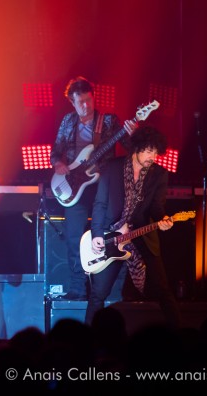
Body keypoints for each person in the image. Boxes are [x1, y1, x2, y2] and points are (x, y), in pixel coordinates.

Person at [85, 125, 181, 328]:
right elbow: (100, 203)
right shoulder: (113, 167)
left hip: (140, 235)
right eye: (149, 151)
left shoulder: (159, 174)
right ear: (137, 148)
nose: (152, 157)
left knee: (163, 290)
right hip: (113, 236)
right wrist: (97, 234)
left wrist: (164, 219)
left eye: (155, 152)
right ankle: (89, 337)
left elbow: (157, 207)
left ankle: (179, 334)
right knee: (98, 293)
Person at [50, 76, 137, 300]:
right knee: (73, 238)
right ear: (72, 102)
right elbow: (56, 151)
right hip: (74, 188)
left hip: (104, 186)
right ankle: (78, 289)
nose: (86, 105)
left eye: (88, 100)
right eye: (80, 102)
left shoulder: (108, 121)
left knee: (110, 237)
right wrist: (58, 164)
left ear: (93, 97)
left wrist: (132, 133)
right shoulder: (68, 121)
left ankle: (109, 290)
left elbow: (131, 149)